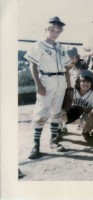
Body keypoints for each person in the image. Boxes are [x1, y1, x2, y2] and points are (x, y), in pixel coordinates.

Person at [24, 17, 71, 159]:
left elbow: (67, 68)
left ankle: (53, 140)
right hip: (46, 79)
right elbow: (33, 66)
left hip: (60, 80)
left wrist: (68, 87)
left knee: (56, 112)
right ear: (46, 29)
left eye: (58, 30)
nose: (55, 32)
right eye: (52, 29)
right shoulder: (39, 45)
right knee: (41, 112)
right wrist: (38, 85)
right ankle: (35, 144)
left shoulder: (61, 48)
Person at [61, 70, 93, 140]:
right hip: (71, 115)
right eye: (83, 81)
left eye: (88, 81)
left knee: (91, 115)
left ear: (91, 83)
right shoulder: (73, 91)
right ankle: (59, 128)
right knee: (58, 112)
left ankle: (85, 131)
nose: (86, 83)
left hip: (84, 117)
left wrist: (91, 110)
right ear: (78, 82)